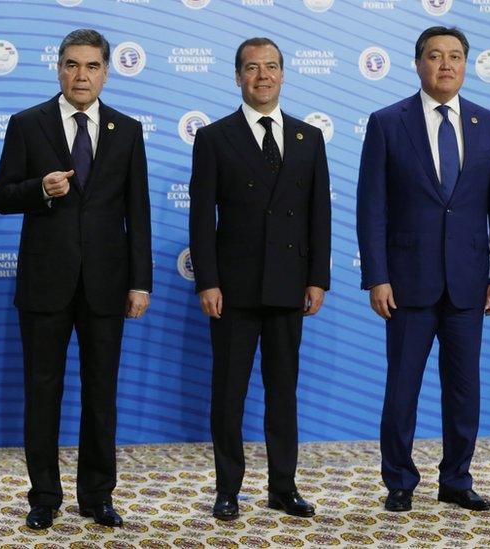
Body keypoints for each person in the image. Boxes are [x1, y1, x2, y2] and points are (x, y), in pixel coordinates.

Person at [0, 28, 152, 530]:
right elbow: (1, 196)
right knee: (43, 391)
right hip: (45, 282)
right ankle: (44, 496)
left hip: (107, 283)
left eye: (92, 66)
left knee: (101, 392)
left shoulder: (126, 130)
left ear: (106, 71)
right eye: (72, 65)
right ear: (58, 68)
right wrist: (39, 188)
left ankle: (98, 495)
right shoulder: (27, 124)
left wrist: (140, 281)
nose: (81, 75)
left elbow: (138, 213)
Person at [356, 26, 490, 513]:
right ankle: (400, 481)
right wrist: (377, 276)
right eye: (434, 56)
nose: (445, 64)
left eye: (455, 56)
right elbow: (371, 208)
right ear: (418, 63)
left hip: (469, 282)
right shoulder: (387, 122)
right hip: (407, 282)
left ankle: (457, 479)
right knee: (402, 387)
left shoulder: (489, 123)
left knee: (464, 389)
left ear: (465, 65)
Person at [188, 37, 331, 521]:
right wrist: (207, 281)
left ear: (283, 75)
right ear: (237, 77)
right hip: (232, 289)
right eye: (252, 68)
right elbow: (201, 220)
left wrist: (318, 278)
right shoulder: (213, 138)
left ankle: (283, 487)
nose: (262, 76)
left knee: (283, 391)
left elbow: (320, 215)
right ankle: (228, 488)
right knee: (228, 393)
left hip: (290, 285)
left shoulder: (308, 138)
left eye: (271, 67)